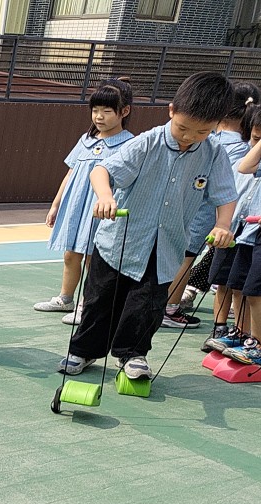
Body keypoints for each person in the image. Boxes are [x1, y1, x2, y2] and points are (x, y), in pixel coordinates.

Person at [58, 72, 237, 381]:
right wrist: (105, 196)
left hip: (166, 246)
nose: (190, 137)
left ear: (216, 126)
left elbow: (225, 194)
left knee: (147, 306)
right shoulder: (147, 142)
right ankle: (84, 351)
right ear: (171, 111)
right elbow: (101, 171)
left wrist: (223, 224)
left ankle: (133, 354)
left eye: (202, 131)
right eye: (183, 128)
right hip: (118, 241)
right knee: (100, 301)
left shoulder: (214, 153)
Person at [164, 81, 261, 328]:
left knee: (179, 256)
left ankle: (169, 303)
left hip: (190, 207)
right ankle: (169, 307)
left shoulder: (209, 139)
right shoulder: (238, 148)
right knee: (187, 258)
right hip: (214, 214)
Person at [37, 79, 134, 318]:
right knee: (70, 254)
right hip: (76, 207)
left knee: (94, 258)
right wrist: (56, 205)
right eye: (95, 110)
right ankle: (65, 299)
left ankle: (87, 305)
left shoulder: (130, 144)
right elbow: (70, 173)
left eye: (106, 111)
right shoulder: (86, 140)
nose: (99, 116)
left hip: (101, 211)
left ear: (124, 112)